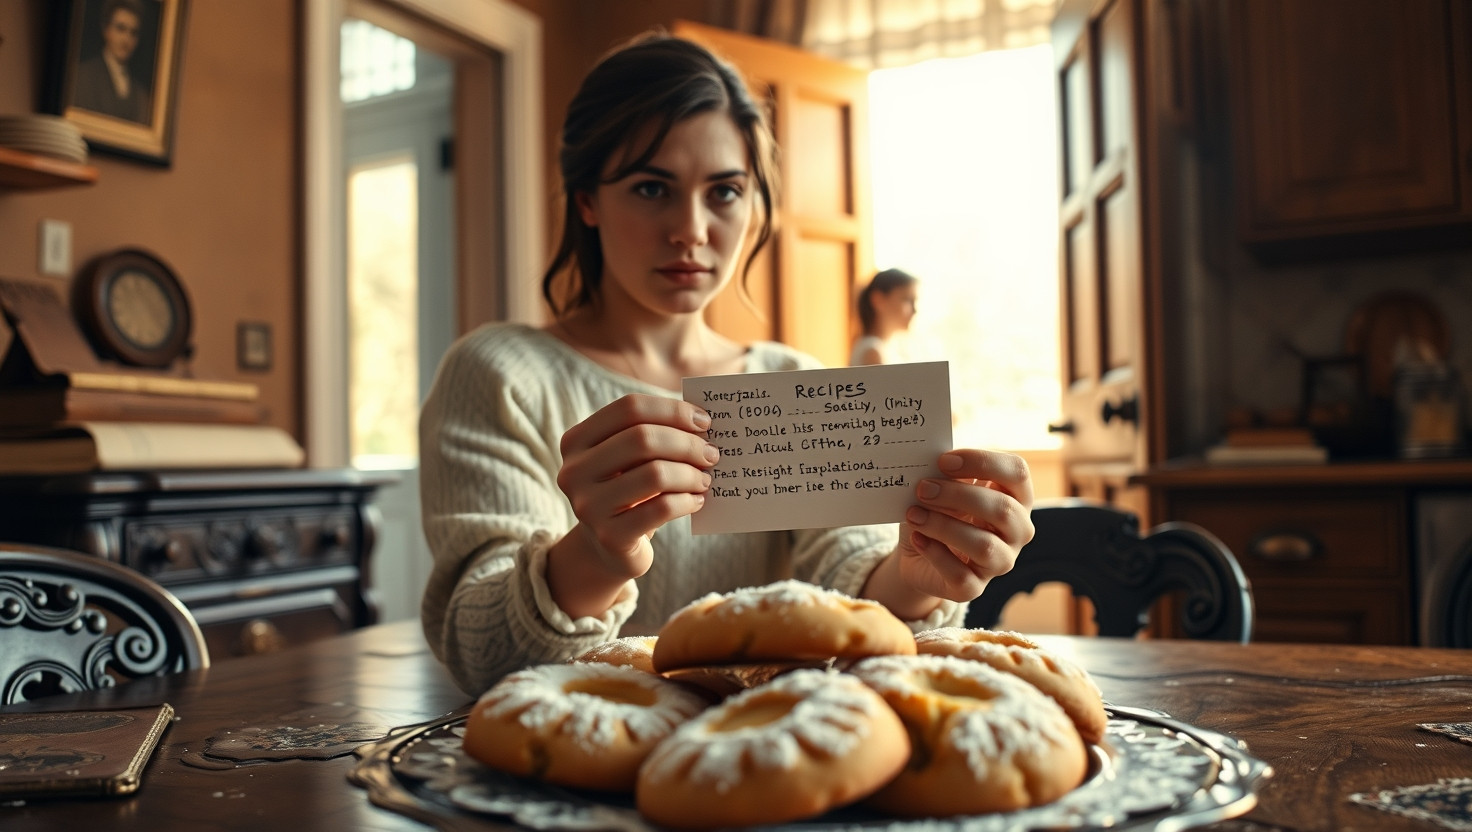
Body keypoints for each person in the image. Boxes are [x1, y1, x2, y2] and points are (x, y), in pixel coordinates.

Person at [417, 32, 1035, 696]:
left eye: (724, 191)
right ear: (588, 199)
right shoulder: (499, 374)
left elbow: (846, 581)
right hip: (561, 774)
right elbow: (477, 646)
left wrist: (914, 583)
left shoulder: (796, 381)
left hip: (781, 766)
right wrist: (593, 555)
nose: (691, 228)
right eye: (652, 188)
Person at [71, 0, 153, 124]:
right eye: (121, 29)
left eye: (133, 33)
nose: (126, 39)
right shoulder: (83, 77)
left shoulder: (141, 96)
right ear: (106, 29)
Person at [850, 267, 920, 366]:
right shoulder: (872, 352)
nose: (915, 310)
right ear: (878, 300)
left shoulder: (892, 348)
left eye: (915, 301)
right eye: (907, 300)